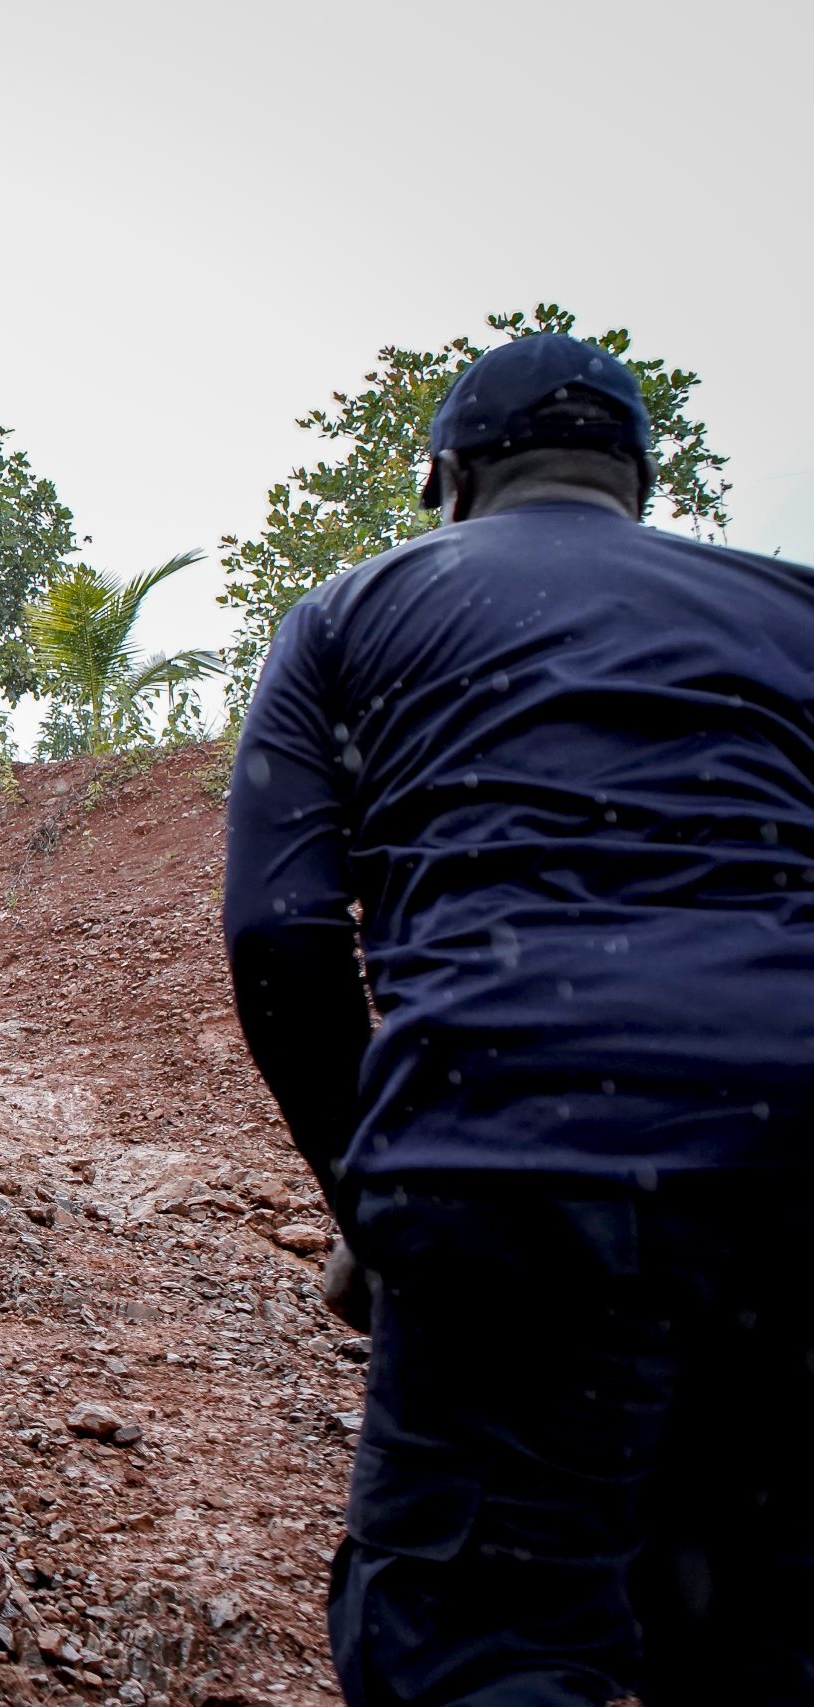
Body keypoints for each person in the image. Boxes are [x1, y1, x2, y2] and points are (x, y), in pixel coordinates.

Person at [224, 333, 814, 1706]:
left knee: (484, 1638)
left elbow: (281, 936)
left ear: (447, 476)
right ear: (642, 479)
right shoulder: (793, 609)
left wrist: (375, 1207)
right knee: (771, 1626)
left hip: (510, 1147)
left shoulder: (349, 614)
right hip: (798, 1156)